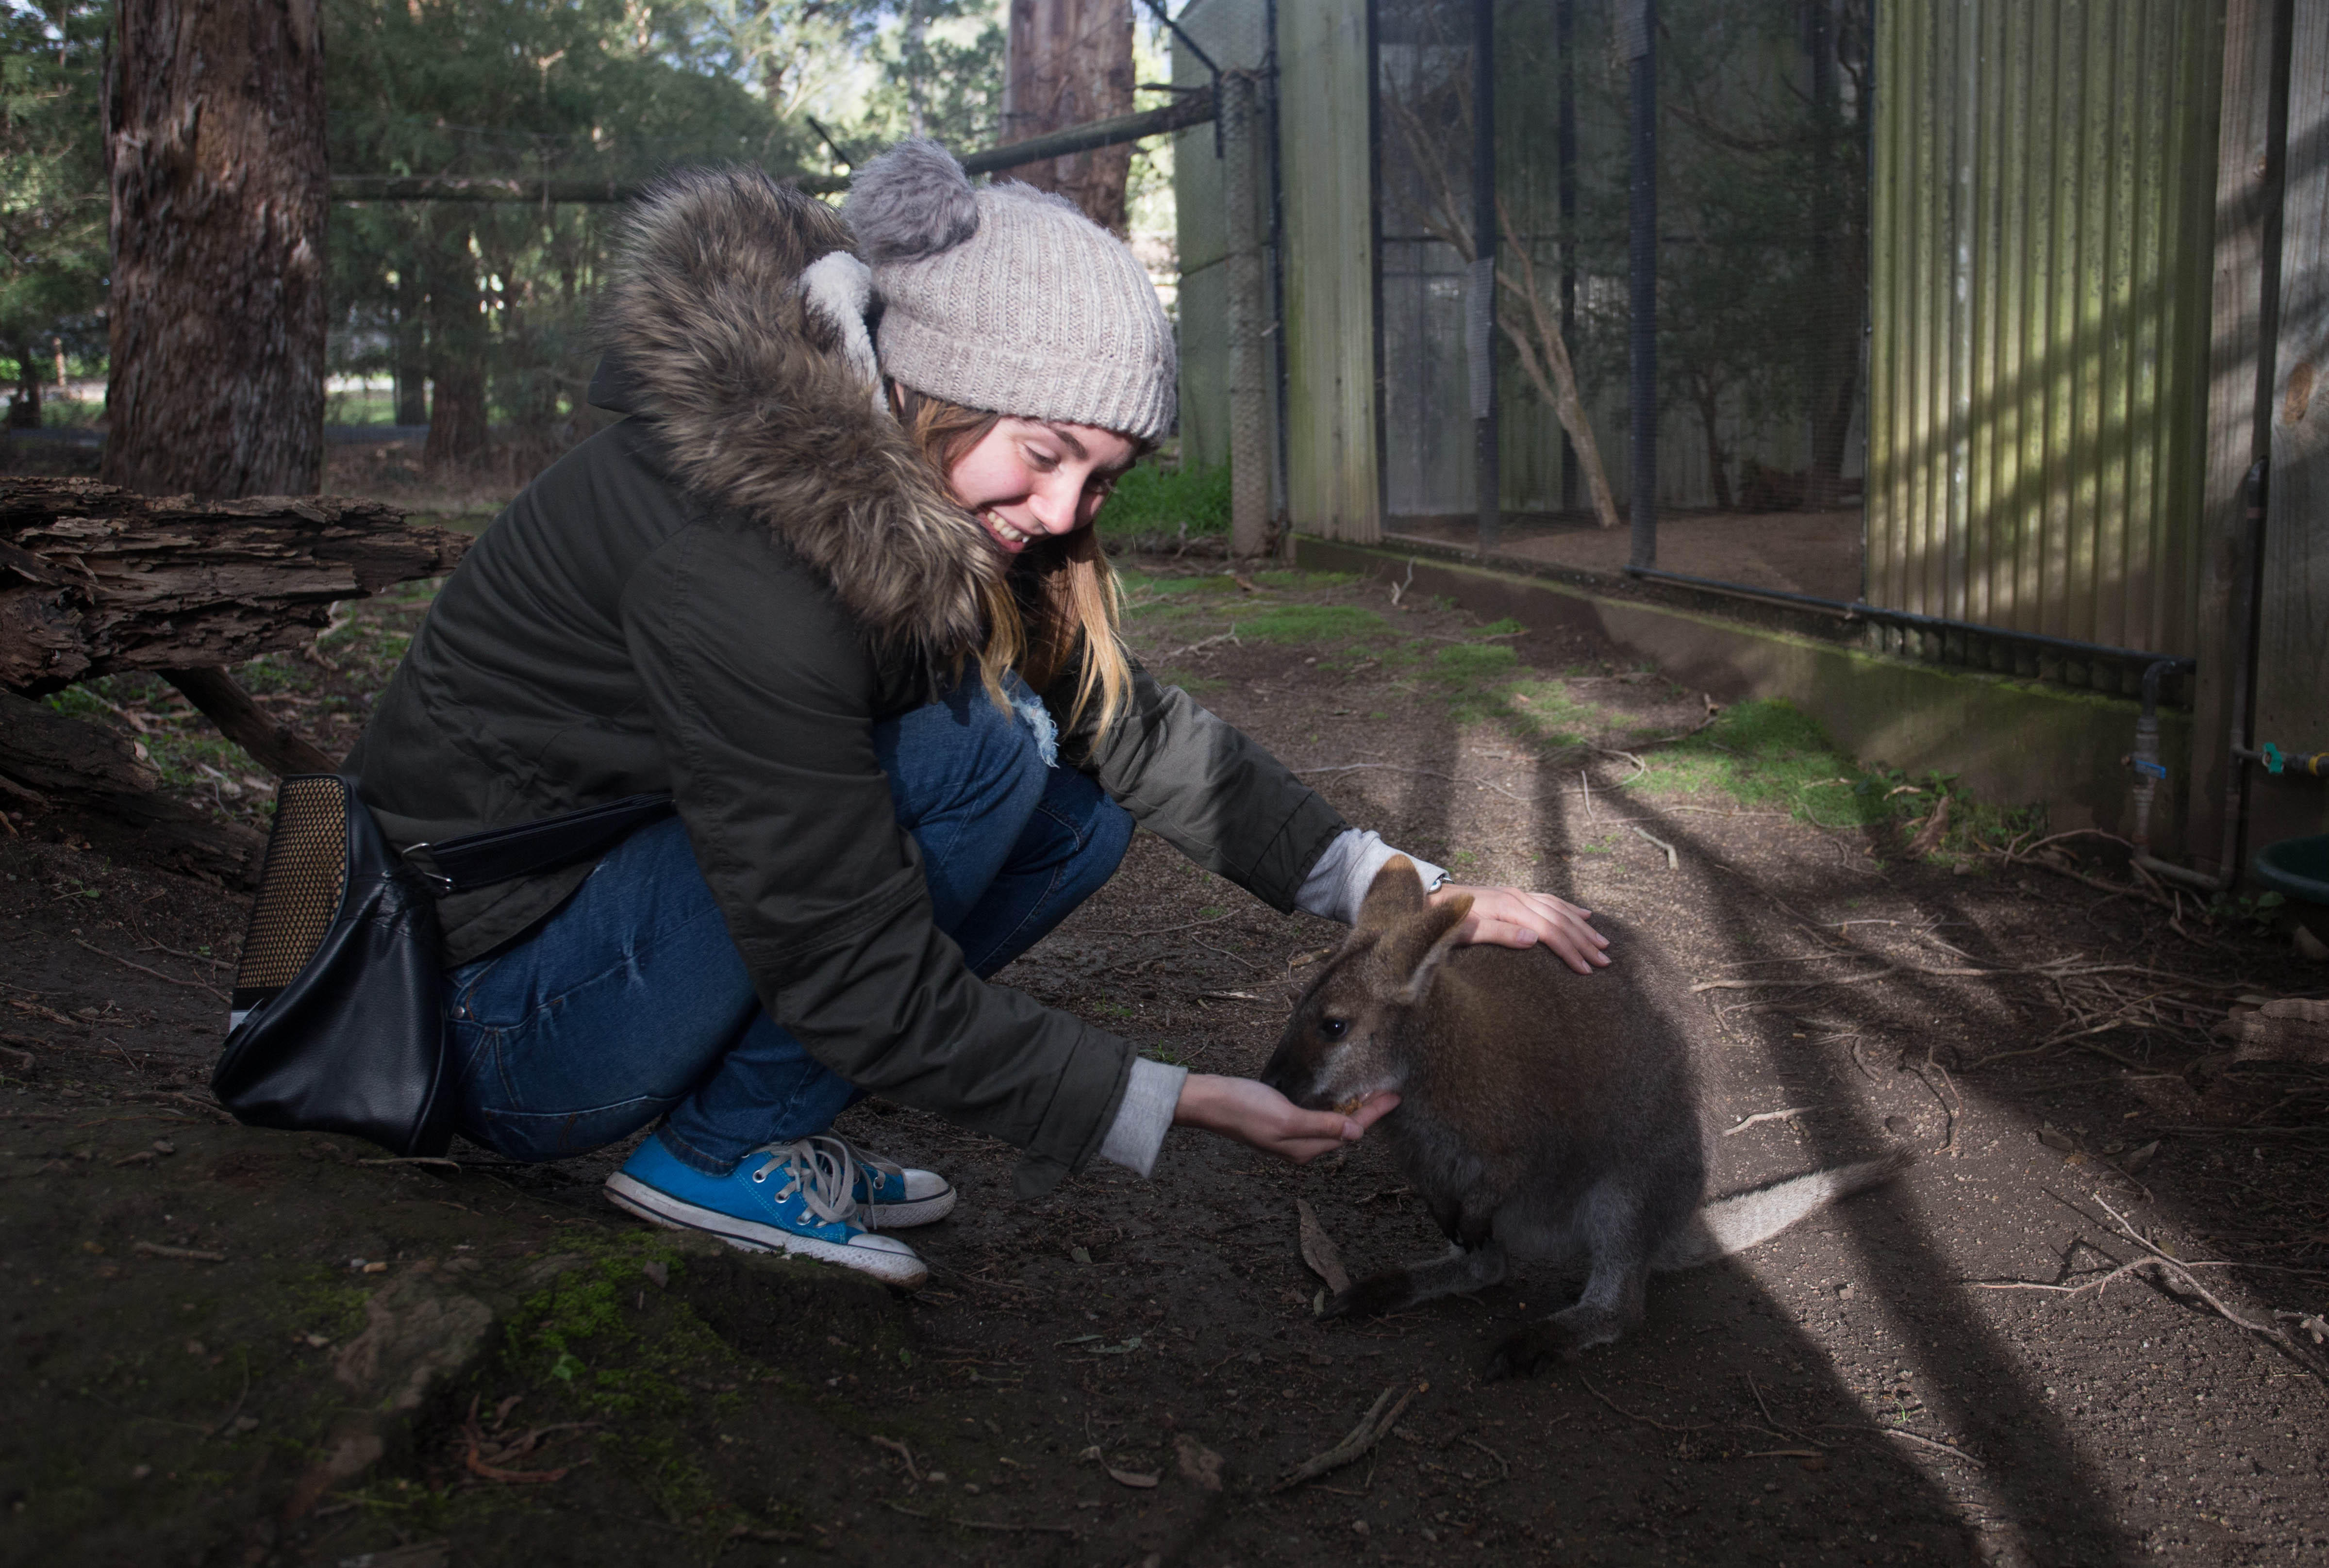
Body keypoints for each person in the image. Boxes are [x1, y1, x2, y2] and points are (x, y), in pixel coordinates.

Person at [347, 140, 1608, 1289]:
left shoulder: (895, 483)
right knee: (980, 747)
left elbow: (1136, 729)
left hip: (595, 937)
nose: (1065, 514)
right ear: (932, 385)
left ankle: (753, 1122)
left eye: (1101, 478)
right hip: (482, 1020)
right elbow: (851, 966)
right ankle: (716, 1150)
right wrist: (1173, 1100)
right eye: (1046, 451)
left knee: (1076, 804)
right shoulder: (741, 557)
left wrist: (1397, 887)